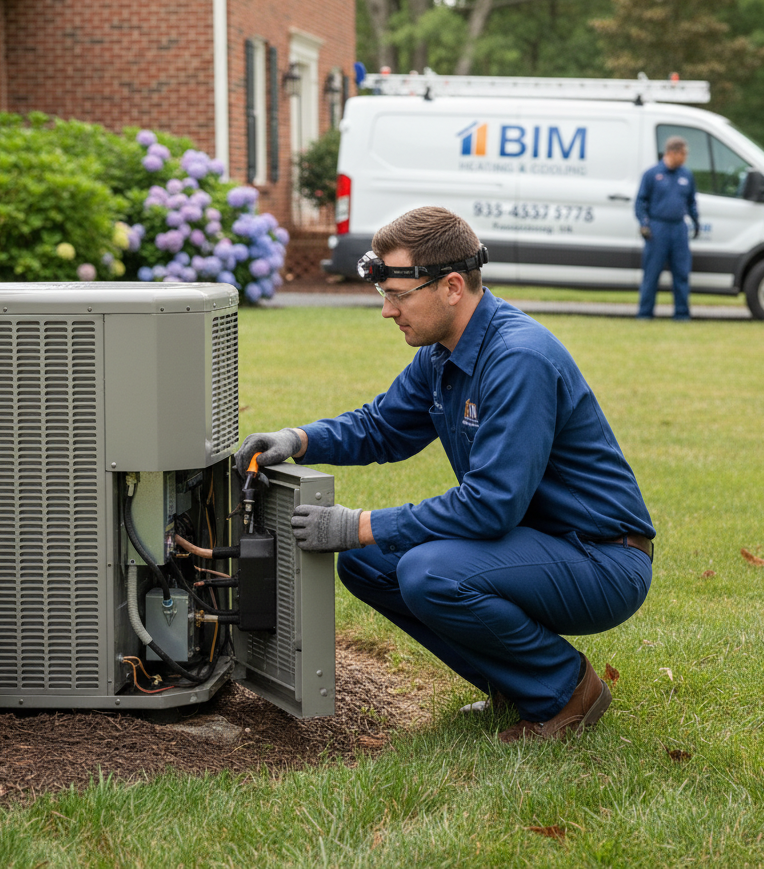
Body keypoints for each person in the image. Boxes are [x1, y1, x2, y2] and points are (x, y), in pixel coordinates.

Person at [238, 206, 654, 742]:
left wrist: (358, 523)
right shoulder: (444, 354)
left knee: (428, 572)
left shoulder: (517, 359)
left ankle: (565, 691)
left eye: (398, 295)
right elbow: (381, 426)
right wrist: (298, 439)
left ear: (452, 287)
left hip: (602, 557)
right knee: (366, 564)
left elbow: (489, 505)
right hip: (537, 542)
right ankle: (514, 685)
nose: (388, 311)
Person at [635, 136, 700, 320]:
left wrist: (695, 222)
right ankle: (645, 314)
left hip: (678, 228)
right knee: (652, 274)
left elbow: (691, 202)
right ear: (672, 152)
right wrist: (644, 224)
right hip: (658, 229)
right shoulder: (652, 174)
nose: (685, 157)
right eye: (683, 153)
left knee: (681, 273)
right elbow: (640, 202)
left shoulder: (686, 175)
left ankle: (682, 314)